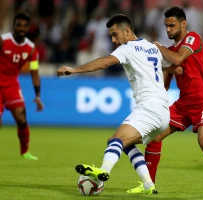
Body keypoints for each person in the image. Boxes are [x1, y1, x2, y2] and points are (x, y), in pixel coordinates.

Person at [57, 14, 182, 195]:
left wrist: (75, 69)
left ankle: (103, 172)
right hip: (163, 111)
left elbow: (105, 62)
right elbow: (177, 68)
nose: (114, 40)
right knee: (121, 143)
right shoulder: (151, 47)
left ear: (127, 30)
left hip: (148, 107)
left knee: (116, 141)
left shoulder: (128, 48)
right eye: (111, 36)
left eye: (115, 34)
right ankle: (149, 185)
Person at [127, 7, 203, 197]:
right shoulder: (169, 53)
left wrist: (158, 47)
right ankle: (148, 185)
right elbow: (165, 85)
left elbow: (178, 58)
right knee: (154, 137)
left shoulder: (192, 38)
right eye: (166, 26)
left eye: (172, 25)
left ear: (183, 24)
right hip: (184, 104)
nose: (168, 30)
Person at [0, 13, 43, 160]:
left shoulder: (31, 49)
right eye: (18, 25)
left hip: (11, 84)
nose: (21, 29)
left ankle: (25, 151)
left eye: (25, 26)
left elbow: (35, 73)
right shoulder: (3, 41)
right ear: (14, 25)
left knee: (22, 119)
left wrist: (37, 96)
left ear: (28, 28)